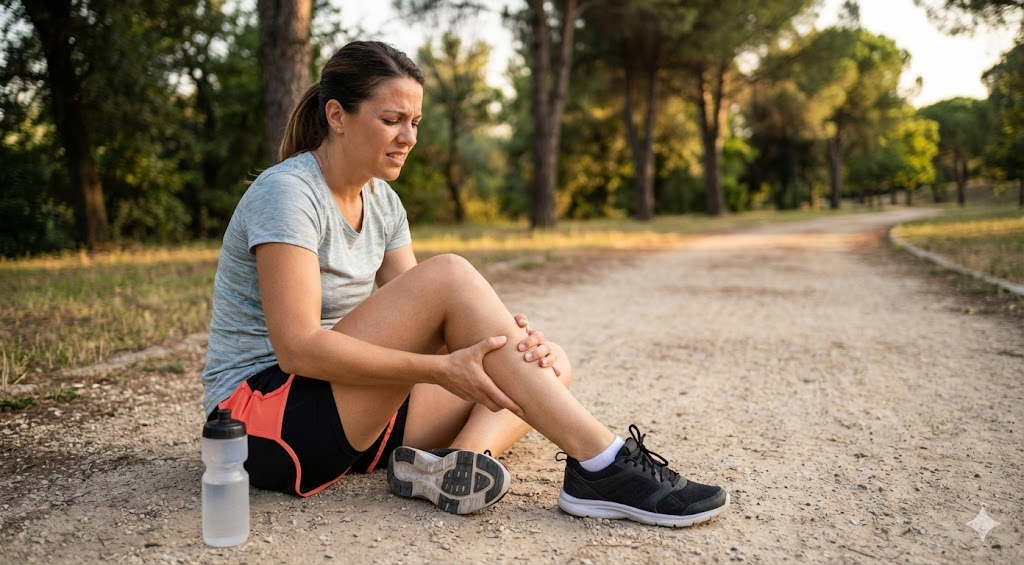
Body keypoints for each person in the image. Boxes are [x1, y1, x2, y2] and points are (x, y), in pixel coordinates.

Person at [200, 40, 729, 528]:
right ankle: (605, 463)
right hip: (258, 426)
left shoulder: (382, 201)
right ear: (336, 116)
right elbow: (298, 349)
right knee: (450, 274)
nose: (409, 137)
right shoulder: (288, 194)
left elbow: (425, 324)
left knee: (549, 365)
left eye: (415, 121)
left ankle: (461, 464)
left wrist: (508, 350)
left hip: (344, 415)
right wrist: (439, 371)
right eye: (392, 120)